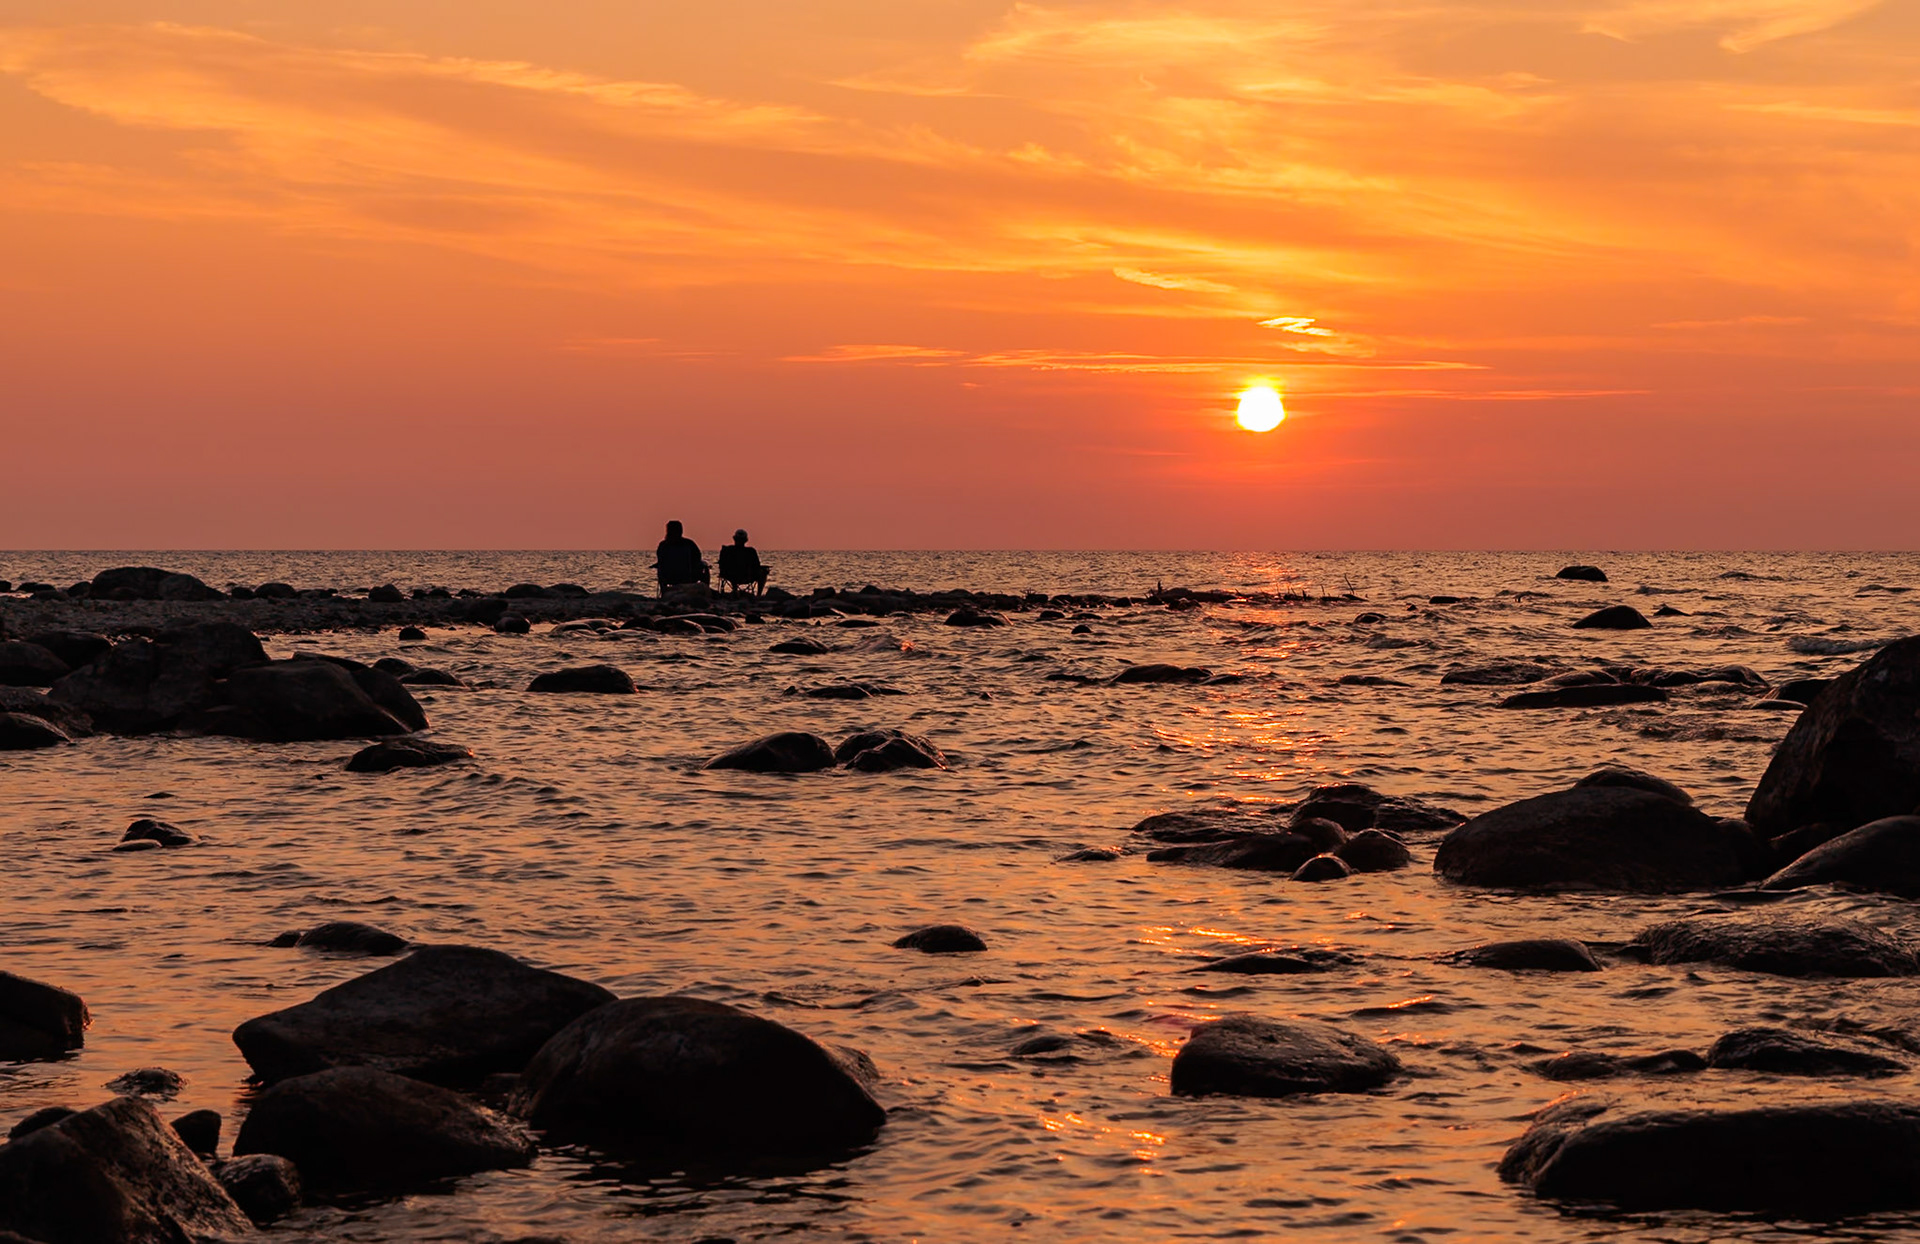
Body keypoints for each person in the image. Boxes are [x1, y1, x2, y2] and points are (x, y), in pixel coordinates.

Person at [652, 520, 708, 595]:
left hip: (668, 577)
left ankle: (664, 592)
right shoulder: (688, 544)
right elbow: (697, 558)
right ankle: (706, 593)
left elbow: (661, 560)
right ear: (681, 531)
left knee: (660, 568)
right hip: (688, 577)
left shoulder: (663, 546)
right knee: (705, 566)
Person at [717, 529, 770, 595]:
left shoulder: (727, 550)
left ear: (734, 538)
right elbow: (756, 566)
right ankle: (759, 595)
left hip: (730, 576)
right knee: (764, 571)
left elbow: (722, 565)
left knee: (732, 571)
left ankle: (735, 590)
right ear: (746, 540)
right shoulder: (751, 551)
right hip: (748, 576)